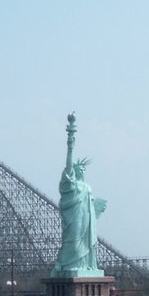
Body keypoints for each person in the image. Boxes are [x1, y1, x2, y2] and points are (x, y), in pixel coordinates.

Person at [52, 113, 107, 275]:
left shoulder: (87, 186)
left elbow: (89, 205)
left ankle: (86, 267)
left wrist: (96, 208)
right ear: (74, 172)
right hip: (74, 219)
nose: (82, 169)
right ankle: (66, 265)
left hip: (87, 221)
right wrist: (70, 145)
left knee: (87, 244)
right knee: (73, 243)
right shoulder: (71, 184)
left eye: (84, 168)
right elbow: (68, 165)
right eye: (79, 168)